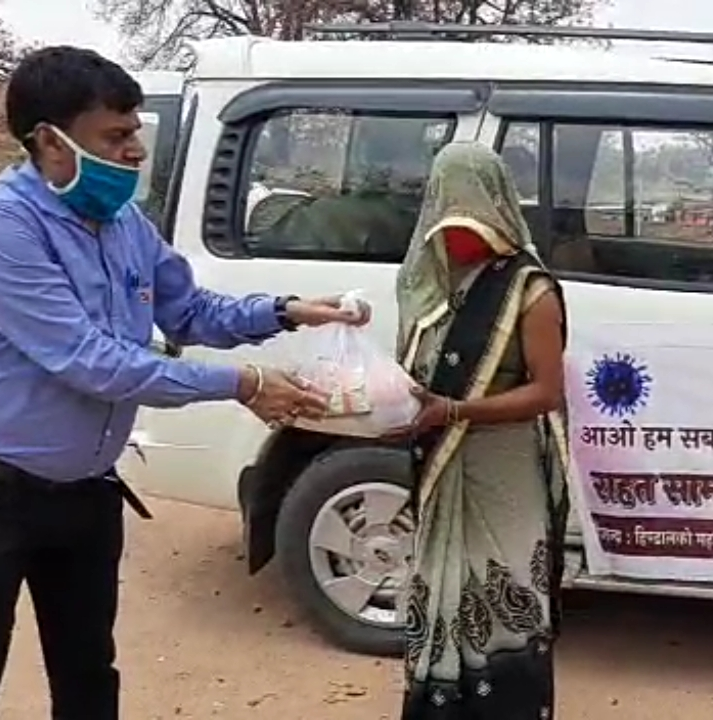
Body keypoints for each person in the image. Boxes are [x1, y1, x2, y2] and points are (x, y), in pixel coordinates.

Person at [0, 46, 368, 719]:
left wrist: (282, 311)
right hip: (8, 486)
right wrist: (245, 383)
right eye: (116, 135)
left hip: (87, 493)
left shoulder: (124, 224)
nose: (137, 149)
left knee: (88, 673)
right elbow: (92, 361)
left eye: (136, 129)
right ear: (50, 142)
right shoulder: (10, 228)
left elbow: (190, 311)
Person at [388, 141, 570, 720]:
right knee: (439, 590)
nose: (456, 215)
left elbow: (546, 393)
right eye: (446, 199)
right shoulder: (430, 288)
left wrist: (455, 412)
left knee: (505, 593)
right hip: (446, 467)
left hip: (504, 468)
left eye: (470, 201)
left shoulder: (531, 290)